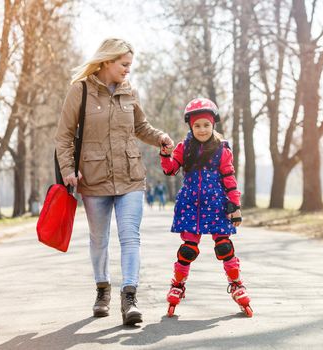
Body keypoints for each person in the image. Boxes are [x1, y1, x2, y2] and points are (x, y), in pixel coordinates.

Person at [55, 38, 174, 326]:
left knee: (131, 237)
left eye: (130, 65)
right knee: (99, 239)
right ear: (107, 61)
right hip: (93, 178)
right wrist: (68, 169)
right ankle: (102, 290)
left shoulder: (128, 91)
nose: (128, 71)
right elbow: (64, 136)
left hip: (130, 176)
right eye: (124, 64)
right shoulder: (80, 91)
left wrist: (160, 137)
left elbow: (140, 127)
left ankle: (129, 297)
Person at [159, 98, 253, 317]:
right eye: (197, 125)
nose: (202, 129)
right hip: (191, 204)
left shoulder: (222, 149)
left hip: (217, 204)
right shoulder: (184, 147)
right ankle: (178, 285)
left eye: (206, 125)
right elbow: (171, 169)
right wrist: (165, 155)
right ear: (191, 126)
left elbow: (229, 177)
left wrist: (235, 206)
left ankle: (237, 284)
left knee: (224, 246)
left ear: (213, 125)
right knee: (188, 249)